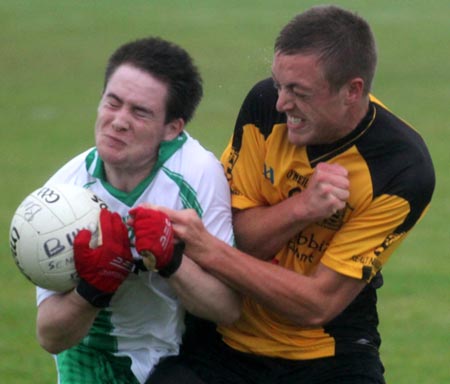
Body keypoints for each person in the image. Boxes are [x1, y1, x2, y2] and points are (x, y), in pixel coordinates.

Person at [145, 5, 435, 384]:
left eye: (298, 92)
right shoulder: (264, 107)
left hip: (329, 353)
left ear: (352, 90)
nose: (282, 102)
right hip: (222, 342)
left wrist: (206, 248)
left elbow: (316, 304)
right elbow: (237, 239)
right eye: (279, 84)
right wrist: (302, 208)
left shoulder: (400, 167)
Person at [35, 37, 241, 384]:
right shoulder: (61, 197)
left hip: (179, 356)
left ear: (173, 128)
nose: (118, 121)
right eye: (112, 103)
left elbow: (228, 309)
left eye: (139, 112)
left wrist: (172, 262)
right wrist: (93, 288)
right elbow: (50, 336)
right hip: (88, 355)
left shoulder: (198, 175)